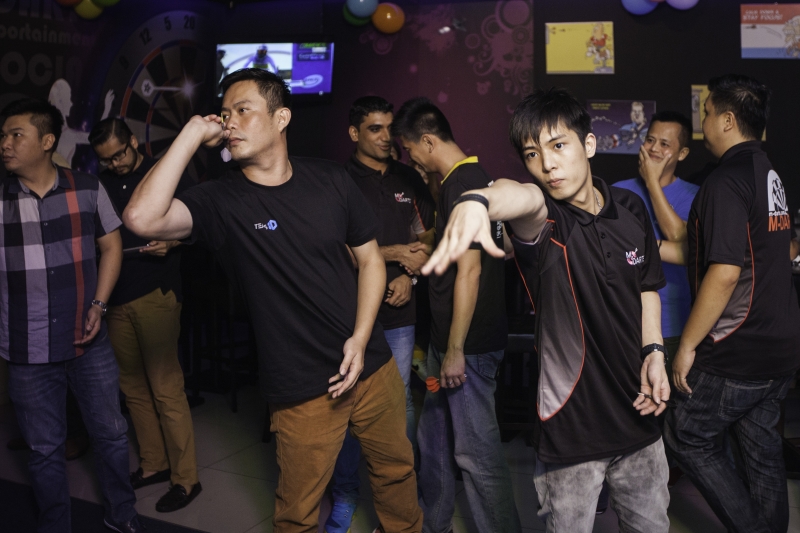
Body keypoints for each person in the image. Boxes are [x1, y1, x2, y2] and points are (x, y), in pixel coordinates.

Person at [122, 68, 422, 533]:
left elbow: (370, 261)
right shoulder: (222, 200)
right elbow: (141, 218)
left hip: (372, 365)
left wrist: (361, 339)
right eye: (224, 114)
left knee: (397, 475)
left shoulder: (331, 179)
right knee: (297, 513)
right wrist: (191, 134)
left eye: (243, 110)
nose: (229, 122)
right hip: (303, 385)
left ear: (281, 118)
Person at [423, 87, 671, 533]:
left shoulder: (631, 208)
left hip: (640, 418)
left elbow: (647, 286)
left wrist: (654, 351)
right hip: (572, 431)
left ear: (588, 144)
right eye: (533, 154)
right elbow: (519, 195)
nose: (548, 165)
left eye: (558, 146)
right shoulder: (546, 219)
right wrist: (479, 201)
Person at [664, 74, 800, 533]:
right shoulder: (768, 172)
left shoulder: (725, 181)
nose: (702, 122)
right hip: (780, 347)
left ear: (727, 120)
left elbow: (724, 273)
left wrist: (687, 346)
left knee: (685, 435)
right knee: (760, 452)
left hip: (739, 350)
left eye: (706, 113)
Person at [0, 98, 142, 533]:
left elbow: (112, 246)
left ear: (47, 141)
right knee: (44, 450)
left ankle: (121, 514)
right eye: (3, 136)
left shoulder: (87, 187)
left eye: (16, 135)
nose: (5, 144)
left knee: (111, 434)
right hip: (27, 347)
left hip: (88, 341)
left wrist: (99, 304)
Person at [392, 97, 520, 533]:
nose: (410, 158)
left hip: (467, 348)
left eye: (410, 149)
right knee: (434, 439)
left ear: (428, 141)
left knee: (477, 456)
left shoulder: (465, 184)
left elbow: (470, 271)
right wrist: (431, 239)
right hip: (445, 343)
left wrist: (455, 351)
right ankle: (435, 524)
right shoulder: (464, 180)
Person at [325, 96, 435, 533]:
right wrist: (392, 254)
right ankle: (346, 494)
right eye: (375, 129)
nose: (388, 137)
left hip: (400, 313)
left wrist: (411, 275)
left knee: (400, 403)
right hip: (351, 315)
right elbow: (334, 250)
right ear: (354, 133)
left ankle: (401, 495)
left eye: (391, 128)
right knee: (348, 404)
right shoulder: (338, 180)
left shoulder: (408, 177)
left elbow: (426, 239)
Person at [89, 118, 200, 513]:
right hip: (115, 297)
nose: (115, 164)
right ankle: (154, 464)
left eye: (119, 154)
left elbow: (198, 220)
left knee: (166, 387)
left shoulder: (163, 173)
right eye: (106, 160)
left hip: (156, 292)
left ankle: (186, 479)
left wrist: (173, 242)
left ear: (133, 142)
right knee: (132, 388)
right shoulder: (100, 183)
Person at [614, 111, 699, 365]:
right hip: (624, 322)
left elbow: (686, 245)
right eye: (650, 140)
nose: (653, 148)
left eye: (664, 144)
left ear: (682, 153)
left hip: (673, 323)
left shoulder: (695, 196)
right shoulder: (618, 191)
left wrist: (652, 181)